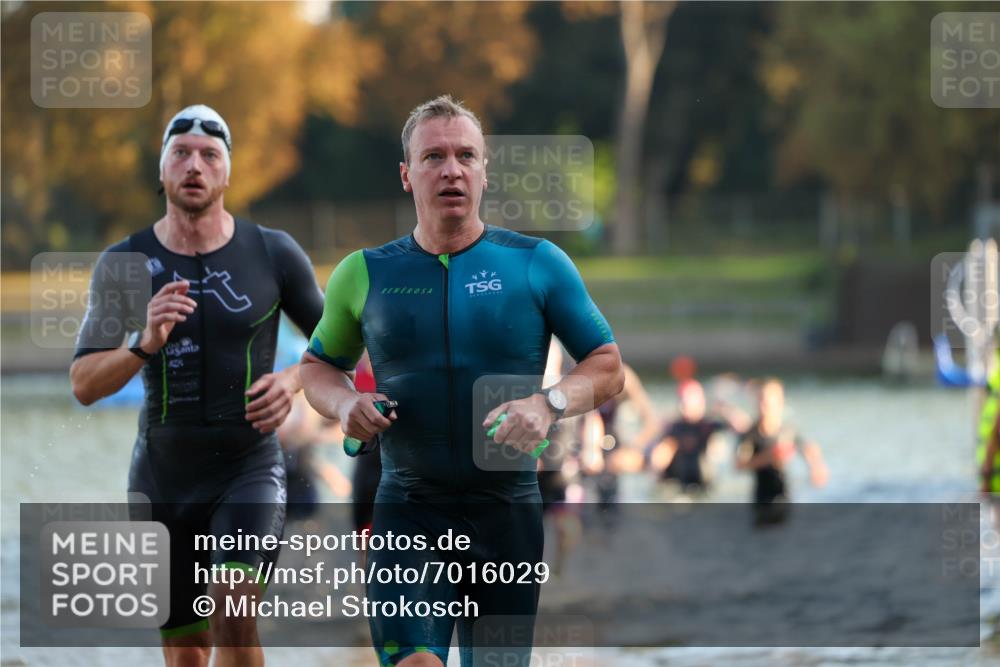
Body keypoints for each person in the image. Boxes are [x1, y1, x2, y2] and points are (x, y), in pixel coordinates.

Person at [300, 95, 624, 667]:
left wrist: (548, 403)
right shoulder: (364, 272)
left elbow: (607, 365)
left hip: (506, 517)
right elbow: (317, 367)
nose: (452, 169)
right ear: (407, 174)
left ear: (484, 171)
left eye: (466, 156)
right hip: (408, 510)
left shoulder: (537, 263)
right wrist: (345, 403)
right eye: (434, 157)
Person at [69, 105, 324, 667]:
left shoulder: (273, 252)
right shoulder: (125, 262)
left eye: (210, 155)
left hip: (248, 467)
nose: (194, 165)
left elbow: (341, 347)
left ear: (227, 173)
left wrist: (292, 381)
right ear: (162, 170)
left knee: (233, 610)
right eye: (180, 153)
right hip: (163, 477)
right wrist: (144, 343)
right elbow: (83, 384)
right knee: (186, 650)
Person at [735, 378, 828, 525]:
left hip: (785, 498)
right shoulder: (750, 434)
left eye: (767, 401)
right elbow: (740, 465)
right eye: (760, 400)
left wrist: (816, 467)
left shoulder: (787, 431)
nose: (763, 406)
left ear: (779, 402)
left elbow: (808, 448)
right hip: (762, 501)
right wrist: (767, 458)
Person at [646, 379, 749, 496]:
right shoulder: (673, 426)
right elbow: (655, 460)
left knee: (717, 447)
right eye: (683, 402)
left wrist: (724, 409)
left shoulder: (709, 424)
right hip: (677, 484)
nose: (685, 406)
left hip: (703, 484)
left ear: (701, 402)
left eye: (690, 402)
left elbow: (743, 427)